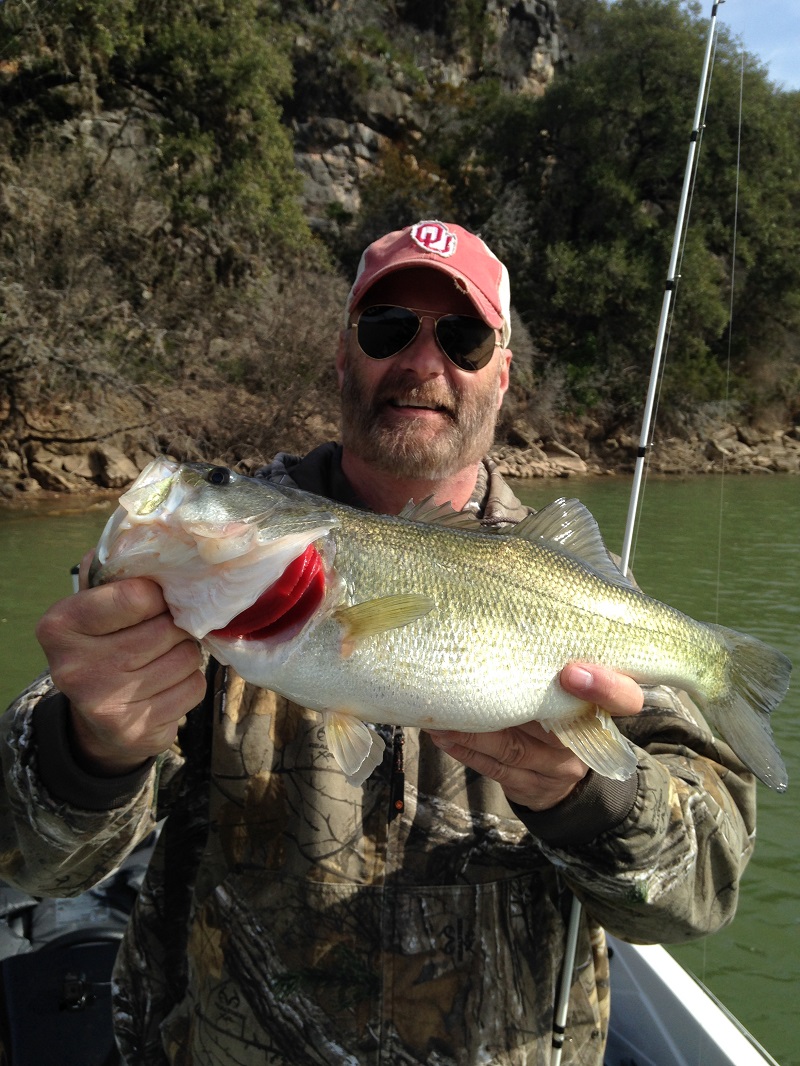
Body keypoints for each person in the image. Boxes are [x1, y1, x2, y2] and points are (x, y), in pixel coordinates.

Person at [0, 220, 756, 1066]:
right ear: (343, 356)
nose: (423, 364)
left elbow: (703, 895)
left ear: (501, 378)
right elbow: (36, 861)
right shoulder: (210, 574)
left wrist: (593, 796)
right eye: (388, 328)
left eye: (464, 339)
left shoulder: (584, 595)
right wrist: (91, 746)